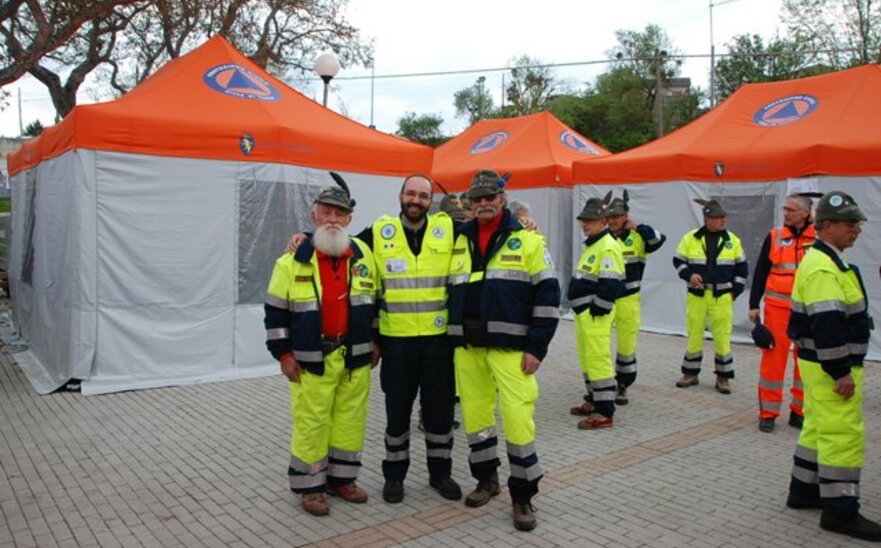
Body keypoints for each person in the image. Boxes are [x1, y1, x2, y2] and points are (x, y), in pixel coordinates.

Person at [287, 173, 461, 505]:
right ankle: (394, 477)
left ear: (430, 201)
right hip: (396, 343)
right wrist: (305, 237)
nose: (416, 200)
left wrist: (522, 226)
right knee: (397, 415)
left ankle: (441, 474)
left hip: (438, 344)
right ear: (400, 196)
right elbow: (338, 239)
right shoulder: (380, 232)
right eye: (410, 194)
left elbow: (484, 235)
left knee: (439, 415)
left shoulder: (449, 229)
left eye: (423, 196)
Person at [447, 169, 560, 531]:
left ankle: (523, 496)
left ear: (502, 198)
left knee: (517, 421)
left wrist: (537, 348)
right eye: (476, 199)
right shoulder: (456, 240)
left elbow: (548, 299)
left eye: (489, 197)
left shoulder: (527, 241)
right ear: (469, 203)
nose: (483, 204)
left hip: (512, 350)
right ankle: (486, 480)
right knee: (477, 421)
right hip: (468, 349)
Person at [264, 175, 379, 517]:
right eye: (326, 211)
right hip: (311, 360)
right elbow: (274, 315)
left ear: (349, 220)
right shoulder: (291, 262)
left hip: (354, 357)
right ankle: (310, 487)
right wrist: (283, 356)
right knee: (312, 424)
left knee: (350, 421)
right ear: (313, 217)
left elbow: (376, 303)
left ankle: (341, 480)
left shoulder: (365, 256)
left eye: (339, 213)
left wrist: (375, 343)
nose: (332, 218)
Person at [785, 191, 881, 542]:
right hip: (831, 369)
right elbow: (828, 327)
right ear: (826, 227)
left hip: (817, 366)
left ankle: (804, 490)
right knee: (842, 434)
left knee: (817, 428)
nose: (856, 230)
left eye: (857, 224)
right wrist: (840, 371)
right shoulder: (824, 267)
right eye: (849, 224)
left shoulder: (825, 261)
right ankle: (841, 511)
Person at [748, 193, 815, 433]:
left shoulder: (817, 238)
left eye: (792, 209)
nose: (786, 213)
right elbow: (761, 271)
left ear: (806, 213)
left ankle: (799, 412)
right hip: (777, 309)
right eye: (785, 208)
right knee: (773, 362)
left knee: (805, 363)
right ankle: (768, 413)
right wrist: (754, 304)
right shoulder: (775, 236)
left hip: (808, 311)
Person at [672, 199, 748, 394]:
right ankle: (690, 373)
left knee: (722, 338)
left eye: (724, 217)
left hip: (722, 297)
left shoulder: (733, 240)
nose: (723, 221)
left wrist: (734, 292)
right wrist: (689, 275)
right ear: (707, 219)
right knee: (694, 335)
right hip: (697, 296)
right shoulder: (690, 238)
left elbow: (742, 269)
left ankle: (723, 378)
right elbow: (678, 261)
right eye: (718, 218)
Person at [603, 191, 666, 405]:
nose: (613, 221)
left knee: (626, 346)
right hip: (605, 299)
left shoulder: (638, 237)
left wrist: (637, 226)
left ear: (625, 217)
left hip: (628, 300)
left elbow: (658, 240)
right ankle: (600, 386)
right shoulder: (603, 238)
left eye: (617, 217)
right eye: (610, 217)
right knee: (599, 344)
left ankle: (622, 385)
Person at [568, 197, 625, 429]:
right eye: (583, 220)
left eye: (590, 221)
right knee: (587, 358)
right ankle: (593, 399)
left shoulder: (608, 246)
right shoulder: (594, 244)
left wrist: (596, 310)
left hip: (594, 315)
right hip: (585, 314)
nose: (585, 224)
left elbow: (611, 285)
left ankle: (604, 412)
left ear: (603, 221)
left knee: (598, 360)